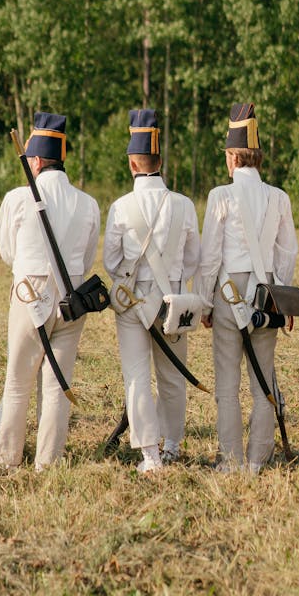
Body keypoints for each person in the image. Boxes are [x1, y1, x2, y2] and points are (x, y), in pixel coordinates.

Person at [0, 112, 100, 472]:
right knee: (58, 384)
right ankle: (48, 462)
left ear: (35, 161)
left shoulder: (17, 198)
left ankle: (7, 460)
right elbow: (86, 258)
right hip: (72, 294)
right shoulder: (88, 203)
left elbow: (7, 251)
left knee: (18, 381)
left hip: (30, 288)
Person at [197, 104, 298, 473]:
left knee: (227, 383)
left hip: (229, 292)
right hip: (266, 292)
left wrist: (206, 302)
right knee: (262, 379)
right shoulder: (279, 197)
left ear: (233, 156)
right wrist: (282, 299)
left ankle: (231, 459)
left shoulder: (220, 196)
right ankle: (258, 458)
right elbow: (287, 253)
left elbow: (209, 257)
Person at [104, 109, 201, 472]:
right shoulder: (185, 205)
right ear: (160, 160)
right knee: (173, 376)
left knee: (137, 376)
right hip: (174, 301)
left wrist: (135, 279)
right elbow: (194, 258)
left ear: (132, 163)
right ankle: (173, 444)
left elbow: (111, 261)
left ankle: (151, 454)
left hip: (133, 302)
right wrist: (172, 281)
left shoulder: (120, 207)